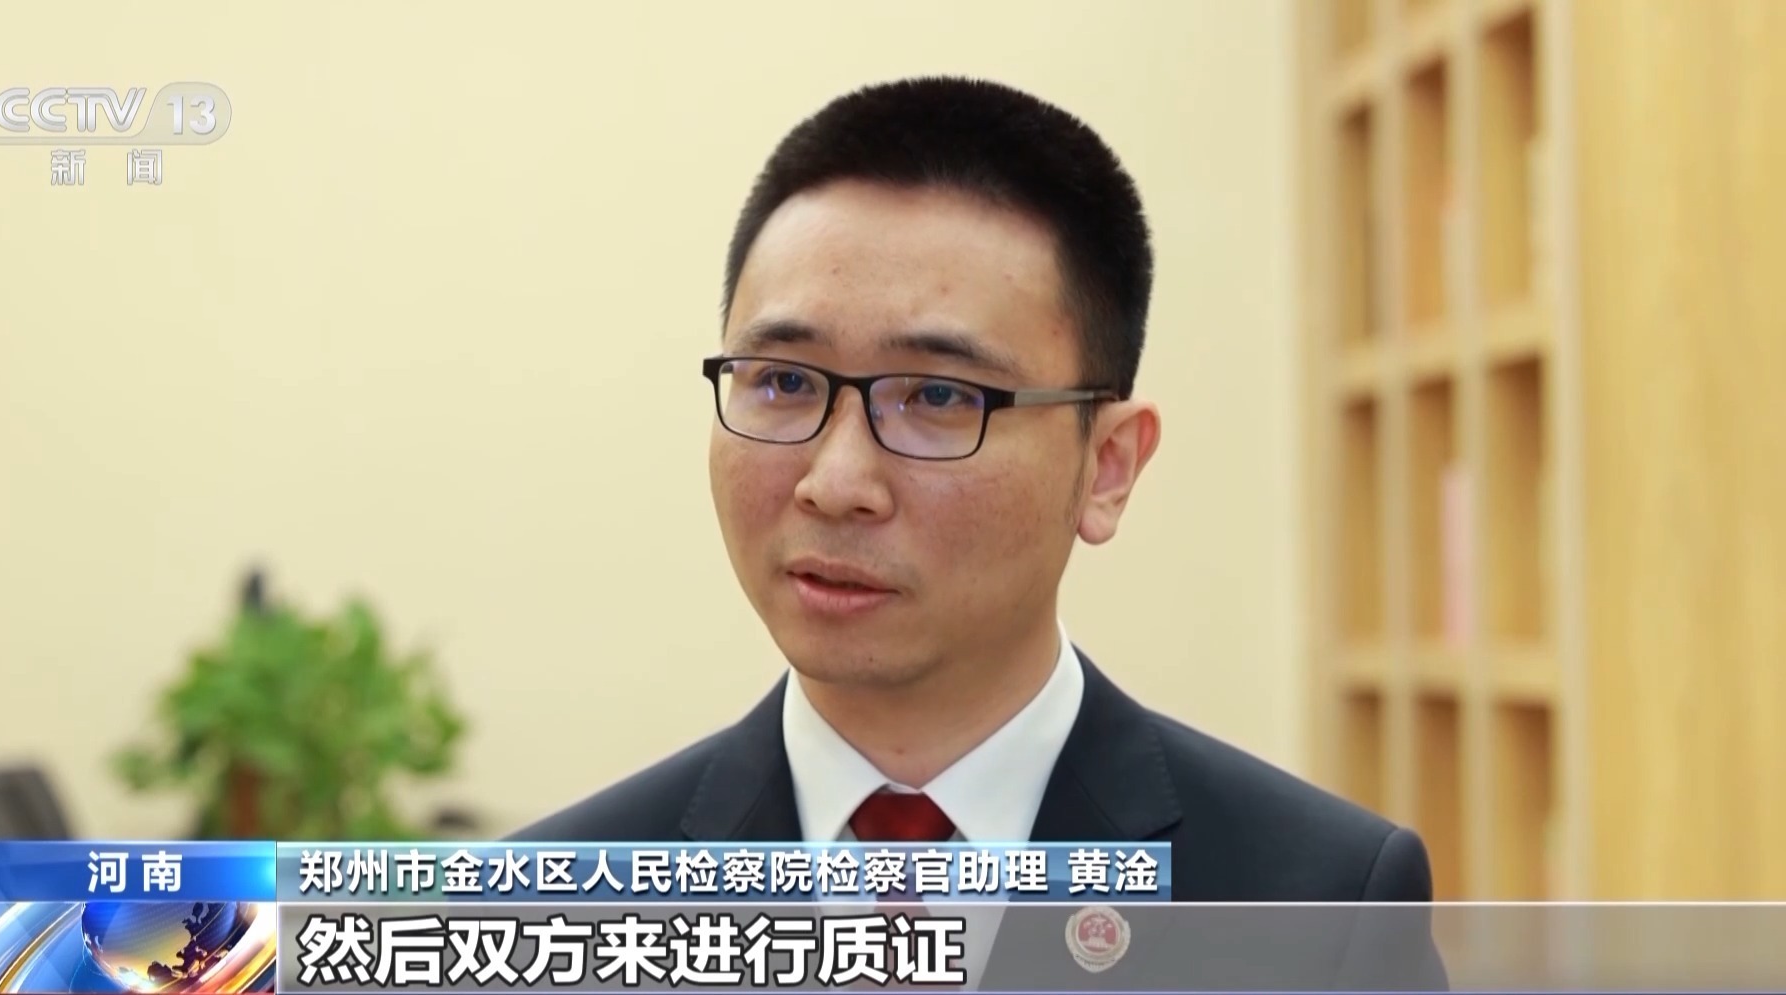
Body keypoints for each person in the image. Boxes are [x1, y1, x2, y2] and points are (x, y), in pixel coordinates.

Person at [512, 76, 1445, 990]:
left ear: (1107, 466)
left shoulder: (1321, 913)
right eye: (784, 381)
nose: (836, 483)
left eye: (938, 396)